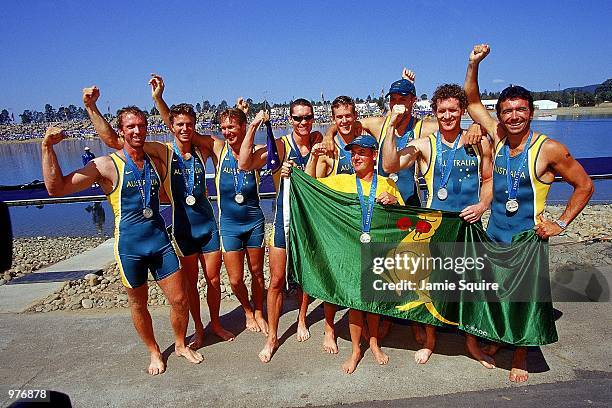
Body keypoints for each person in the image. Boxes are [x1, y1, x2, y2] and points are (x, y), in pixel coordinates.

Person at [464, 44, 594, 382]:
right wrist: (473, 63)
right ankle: (499, 340)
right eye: (506, 111)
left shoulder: (548, 149)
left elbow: (585, 186)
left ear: (531, 112)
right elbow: (473, 101)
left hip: (527, 238)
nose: (512, 116)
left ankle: (520, 354)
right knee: (494, 293)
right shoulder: (498, 137)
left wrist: (561, 223)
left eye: (520, 110)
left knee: (523, 300)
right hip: (495, 234)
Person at [42, 112, 202, 375]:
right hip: (130, 248)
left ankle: (181, 344)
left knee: (181, 299)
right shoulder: (106, 165)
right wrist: (47, 147)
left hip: (160, 243)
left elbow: (171, 190)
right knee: (139, 304)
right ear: (121, 131)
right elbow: (56, 188)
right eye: (131, 127)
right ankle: (153, 351)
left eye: (141, 126)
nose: (137, 131)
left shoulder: (156, 161)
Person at [86, 80, 235, 350]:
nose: (185, 129)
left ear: (195, 125)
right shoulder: (163, 151)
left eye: (189, 124)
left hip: (208, 227)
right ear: (172, 126)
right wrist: (157, 99)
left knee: (214, 280)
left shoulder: (204, 149)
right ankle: (199, 330)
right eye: (179, 125)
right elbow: (112, 140)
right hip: (183, 229)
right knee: (189, 287)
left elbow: (232, 148)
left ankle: (215, 323)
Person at [382, 84, 494, 365]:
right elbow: (390, 165)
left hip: (468, 224)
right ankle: (431, 341)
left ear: (461, 111)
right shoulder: (425, 145)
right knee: (432, 285)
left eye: (453, 110)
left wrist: (482, 205)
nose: (447, 116)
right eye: (442, 111)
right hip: (436, 225)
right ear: (434, 112)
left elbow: (490, 179)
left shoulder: (477, 141)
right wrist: (391, 128)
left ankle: (471, 342)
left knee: (469, 287)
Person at [284, 135, 402, 374]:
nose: (356, 157)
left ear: (374, 156)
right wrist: (297, 168)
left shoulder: (387, 183)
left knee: (374, 301)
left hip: (376, 251)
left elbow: (401, 219)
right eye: (353, 152)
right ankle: (356, 350)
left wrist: (393, 201)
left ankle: (374, 343)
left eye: (362, 152)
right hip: (350, 251)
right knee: (354, 302)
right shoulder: (341, 181)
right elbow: (310, 184)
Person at [238, 98, 323, 363]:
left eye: (307, 117)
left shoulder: (319, 140)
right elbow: (244, 163)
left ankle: (300, 319)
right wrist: (253, 124)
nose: (303, 123)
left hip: (308, 222)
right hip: (282, 221)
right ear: (290, 120)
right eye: (297, 118)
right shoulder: (281, 146)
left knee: (305, 277)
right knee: (276, 281)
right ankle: (273, 336)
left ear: (313, 118)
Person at [325, 69, 439, 205]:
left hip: (409, 202)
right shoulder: (379, 125)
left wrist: (473, 127)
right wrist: (328, 135)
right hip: (381, 200)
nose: (397, 105)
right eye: (393, 100)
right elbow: (345, 123)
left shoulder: (423, 128)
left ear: (413, 101)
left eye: (402, 100)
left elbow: (452, 126)